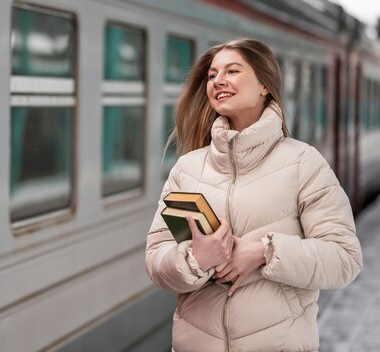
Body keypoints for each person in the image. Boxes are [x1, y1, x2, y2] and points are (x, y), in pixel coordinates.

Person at [146, 38, 362, 351]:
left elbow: (345, 259)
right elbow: (156, 259)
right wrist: (196, 260)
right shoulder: (187, 168)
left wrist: (265, 252)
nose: (218, 80)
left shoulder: (303, 162)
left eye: (232, 71)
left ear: (264, 85)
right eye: (212, 75)